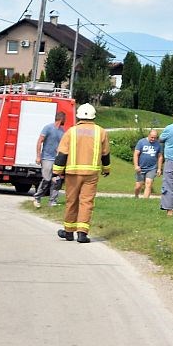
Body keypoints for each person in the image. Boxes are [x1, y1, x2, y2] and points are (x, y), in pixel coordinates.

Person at [52, 103, 111, 243]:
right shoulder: (101, 132)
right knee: (86, 202)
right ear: (93, 116)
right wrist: (106, 169)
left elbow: (62, 154)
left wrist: (57, 172)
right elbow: (105, 154)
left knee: (71, 201)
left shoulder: (71, 132)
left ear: (78, 116)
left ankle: (68, 232)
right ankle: (82, 234)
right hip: (91, 174)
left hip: (73, 173)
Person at [34, 111, 67, 207]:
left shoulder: (62, 132)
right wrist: (38, 156)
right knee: (47, 179)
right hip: (46, 158)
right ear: (61, 119)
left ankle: (53, 201)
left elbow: (62, 146)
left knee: (56, 180)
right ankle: (37, 198)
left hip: (56, 160)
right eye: (64, 119)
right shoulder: (48, 128)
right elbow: (40, 141)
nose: (65, 121)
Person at [133, 128, 164, 199]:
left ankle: (145, 201)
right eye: (152, 137)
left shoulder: (158, 145)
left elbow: (160, 157)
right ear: (148, 135)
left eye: (155, 138)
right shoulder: (141, 142)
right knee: (138, 186)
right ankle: (136, 196)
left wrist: (159, 169)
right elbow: (136, 154)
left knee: (148, 184)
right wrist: (136, 166)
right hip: (141, 167)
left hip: (152, 168)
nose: (153, 139)